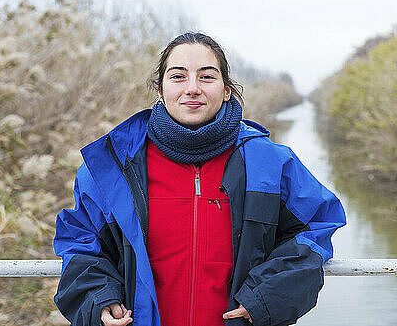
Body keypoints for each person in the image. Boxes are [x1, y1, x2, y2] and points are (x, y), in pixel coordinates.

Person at [53, 32, 347, 326]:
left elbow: (319, 223)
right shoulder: (114, 165)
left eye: (206, 77)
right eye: (178, 76)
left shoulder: (270, 162)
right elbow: (80, 240)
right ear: (160, 89)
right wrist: (98, 298)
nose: (192, 89)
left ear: (227, 89)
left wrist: (267, 296)